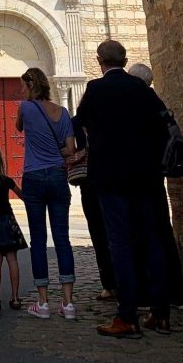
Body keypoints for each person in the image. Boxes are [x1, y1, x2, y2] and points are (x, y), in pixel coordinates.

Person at [76, 40, 170, 338]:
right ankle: (160, 313)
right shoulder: (142, 89)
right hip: (145, 177)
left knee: (120, 243)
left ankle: (128, 316)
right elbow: (162, 124)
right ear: (125, 59)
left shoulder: (96, 89)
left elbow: (80, 123)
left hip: (111, 178)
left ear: (100, 60)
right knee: (151, 241)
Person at [127, 62, 183, 310]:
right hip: (156, 177)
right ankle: (177, 293)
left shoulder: (136, 105)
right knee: (163, 231)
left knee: (141, 234)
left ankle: (146, 295)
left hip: (138, 177)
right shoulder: (158, 103)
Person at [17, 67, 77, 320]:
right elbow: (71, 149)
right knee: (62, 238)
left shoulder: (25, 107)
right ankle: (68, 303)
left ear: (30, 86)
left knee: (38, 239)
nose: (21, 90)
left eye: (23, 85)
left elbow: (19, 128)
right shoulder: (63, 112)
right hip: (56, 175)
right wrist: (56, 154)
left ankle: (42, 303)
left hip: (34, 177)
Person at [72, 115, 116, 301]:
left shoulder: (77, 121)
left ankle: (109, 284)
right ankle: (124, 282)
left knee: (99, 233)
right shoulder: (111, 118)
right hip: (113, 180)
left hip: (89, 181)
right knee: (117, 233)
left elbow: (70, 148)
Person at [0, 144, 27, 310]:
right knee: (12, 258)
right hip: (7, 220)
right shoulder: (6, 180)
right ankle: (15, 297)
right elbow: (22, 195)